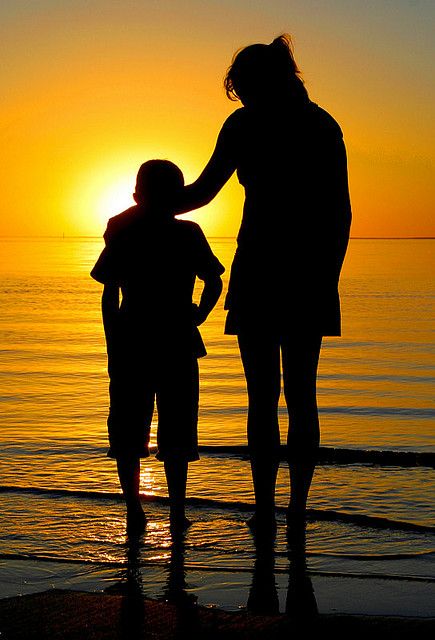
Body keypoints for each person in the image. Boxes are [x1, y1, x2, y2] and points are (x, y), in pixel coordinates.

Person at [177, 35, 352, 531]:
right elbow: (204, 191)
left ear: (263, 82)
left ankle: (283, 507)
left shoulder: (311, 126)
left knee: (286, 392)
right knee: (286, 392)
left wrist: (327, 278)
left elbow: (338, 211)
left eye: (246, 88)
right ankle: (276, 508)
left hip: (290, 270)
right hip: (275, 269)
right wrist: (149, 207)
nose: (244, 98)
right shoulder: (276, 124)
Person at [91, 160, 224, 535]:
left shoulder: (123, 230)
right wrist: (199, 313)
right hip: (175, 340)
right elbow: (213, 281)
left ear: (137, 196)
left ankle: (136, 509)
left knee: (130, 430)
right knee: (175, 432)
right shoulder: (186, 232)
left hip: (134, 339)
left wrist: (112, 341)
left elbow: (109, 293)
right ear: (178, 199)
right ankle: (173, 511)